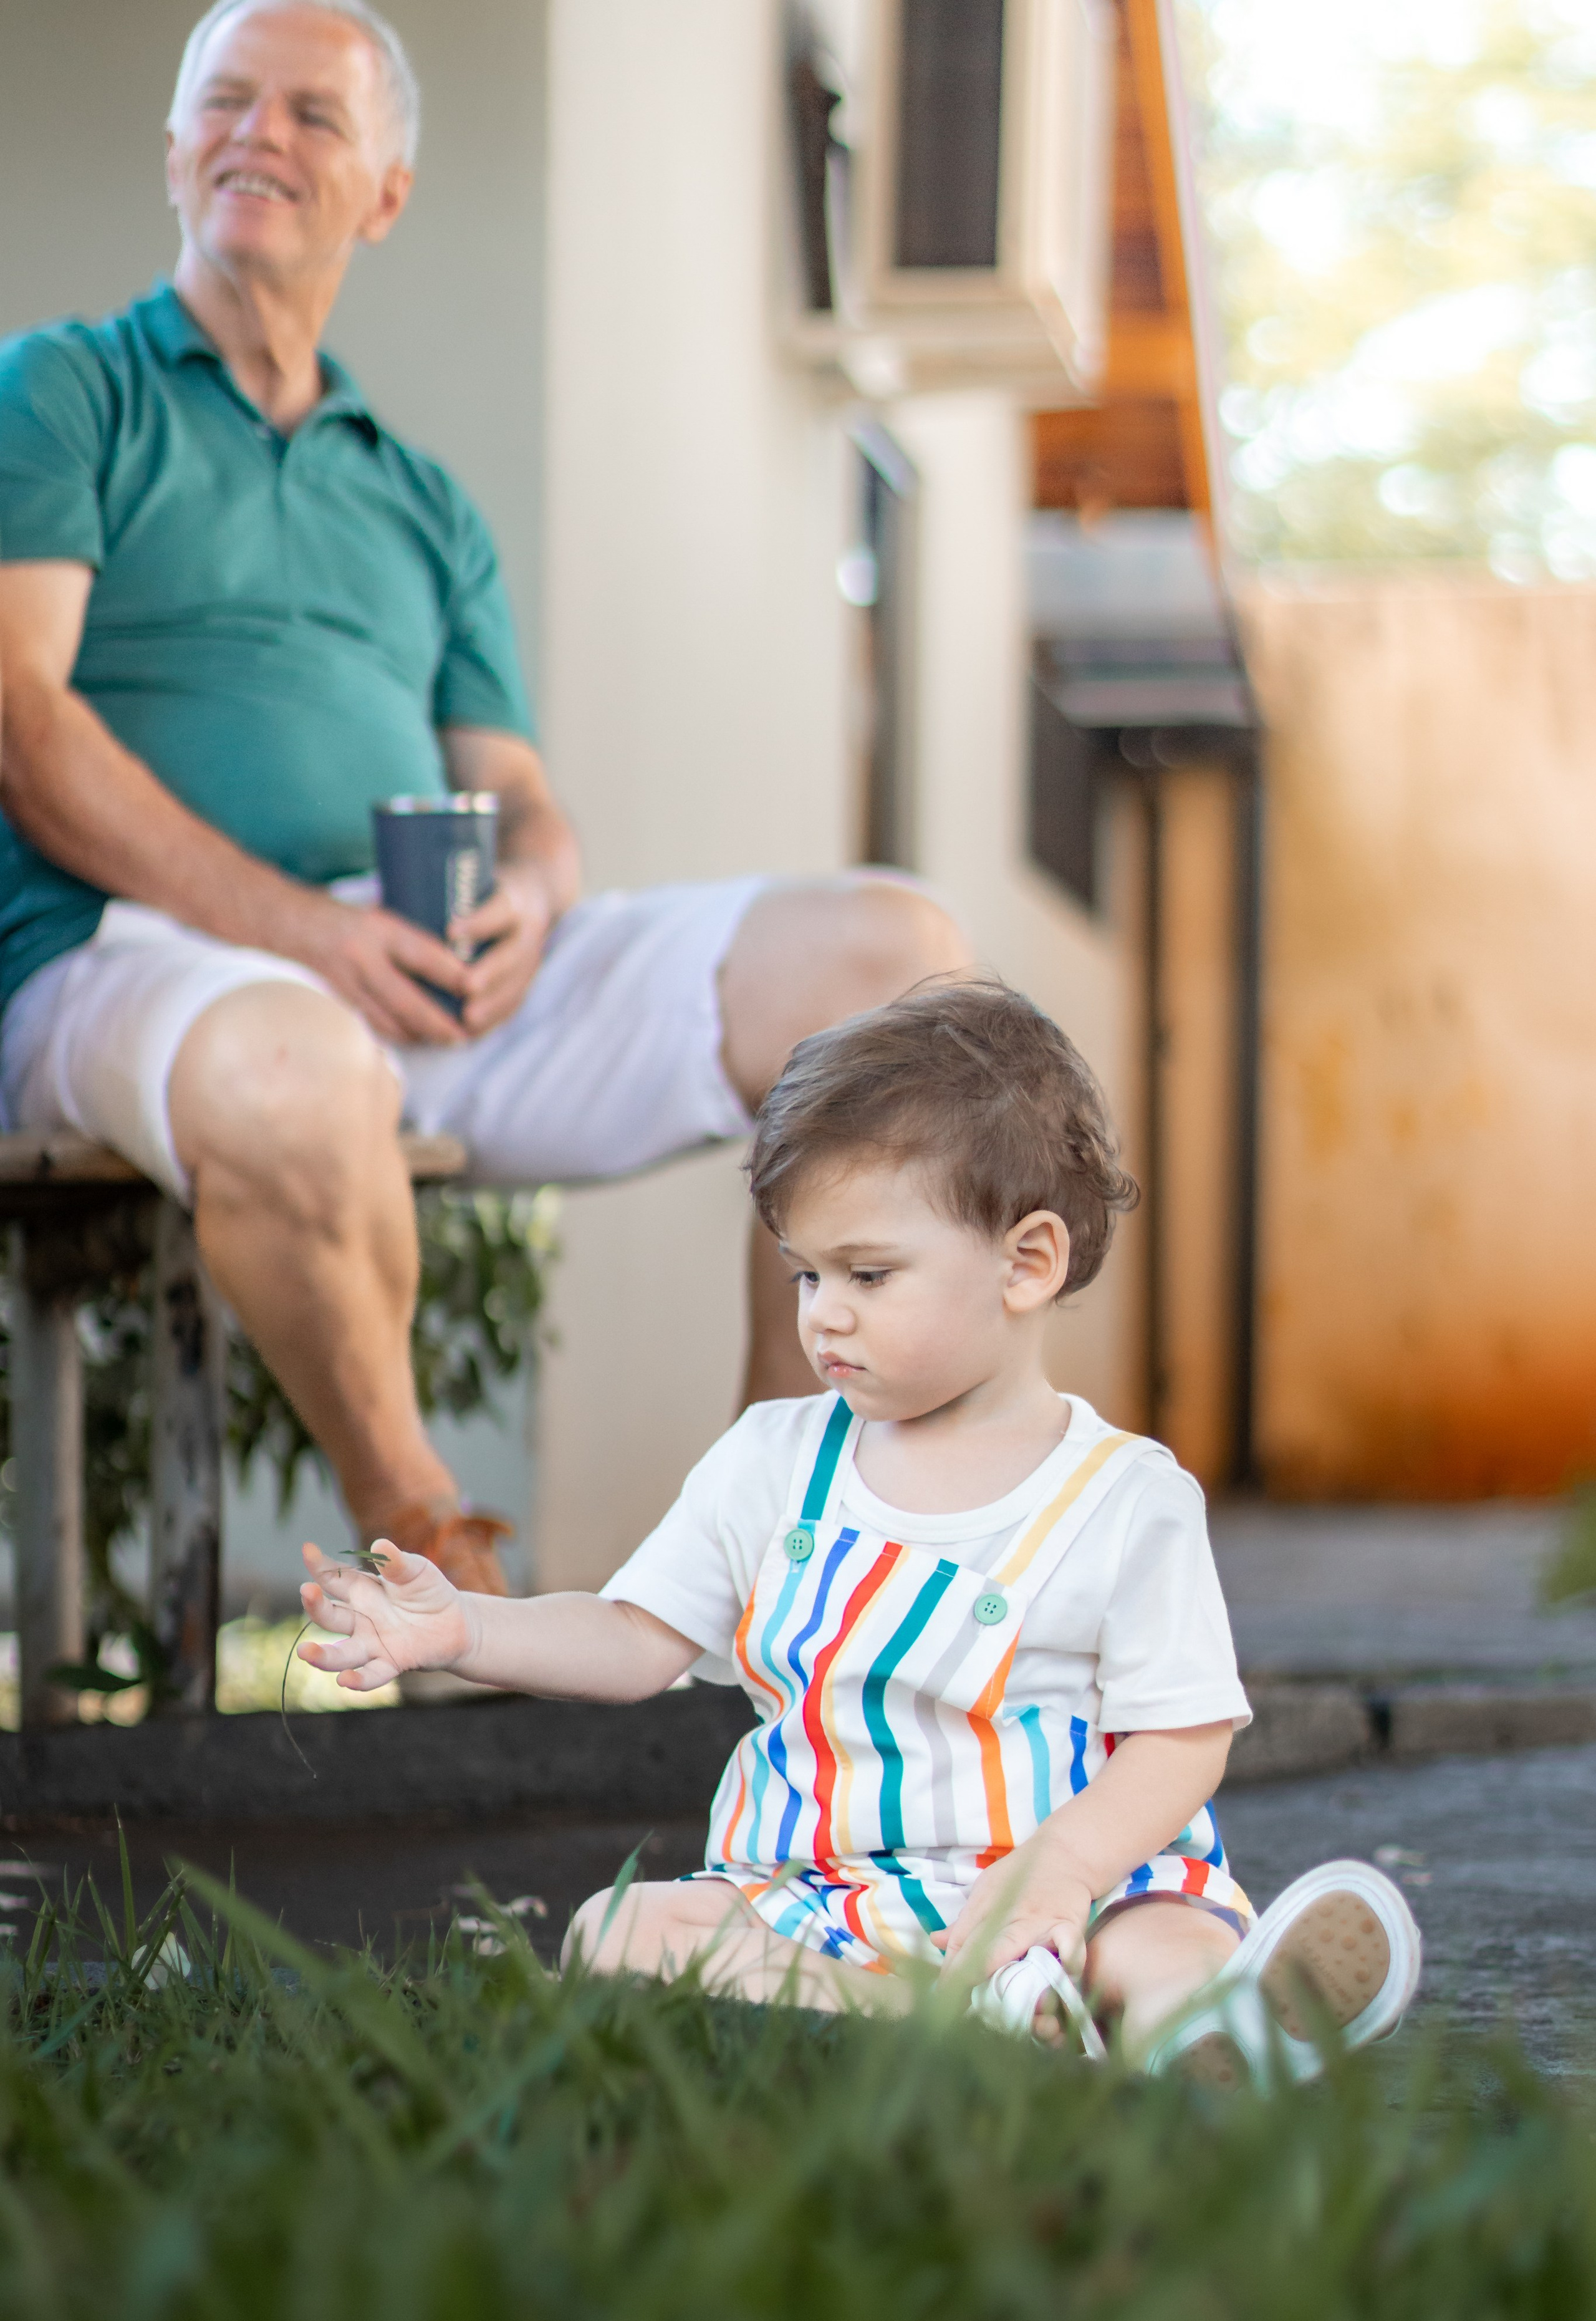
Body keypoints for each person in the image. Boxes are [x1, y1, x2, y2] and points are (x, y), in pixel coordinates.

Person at [0, 0, 969, 1597]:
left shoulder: (422, 501)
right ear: (174, 149)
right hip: (131, 961)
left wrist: (529, 893)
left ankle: (781, 1566)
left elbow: (518, 796)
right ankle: (441, 1591)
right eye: (225, 102)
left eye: (312, 114)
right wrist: (305, 935)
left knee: (891, 962)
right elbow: (24, 724)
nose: (257, 133)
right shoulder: (62, 392)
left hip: (408, 970)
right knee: (295, 1068)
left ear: (384, 194)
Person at [297, 982, 1421, 2078]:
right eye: (806, 1275)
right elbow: (635, 1637)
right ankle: (969, 2019)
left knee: (1165, 1941)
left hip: (1076, 1887)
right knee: (617, 1930)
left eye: (869, 1275)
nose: (823, 1315)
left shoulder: (1127, 1500)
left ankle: (1207, 2022)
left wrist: (1064, 1870)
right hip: (828, 1899)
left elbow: (1183, 1739)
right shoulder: (773, 1462)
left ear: (1027, 1263)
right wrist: (465, 1631)